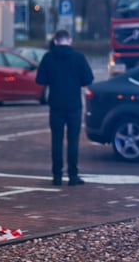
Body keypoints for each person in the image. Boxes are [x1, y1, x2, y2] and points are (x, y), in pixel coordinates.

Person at [36, 29, 94, 186]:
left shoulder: (48, 57)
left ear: (55, 41)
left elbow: (40, 79)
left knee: (56, 140)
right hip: (74, 103)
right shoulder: (78, 57)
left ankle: (57, 175)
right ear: (70, 40)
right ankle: (73, 175)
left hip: (55, 103)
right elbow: (88, 79)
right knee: (73, 140)